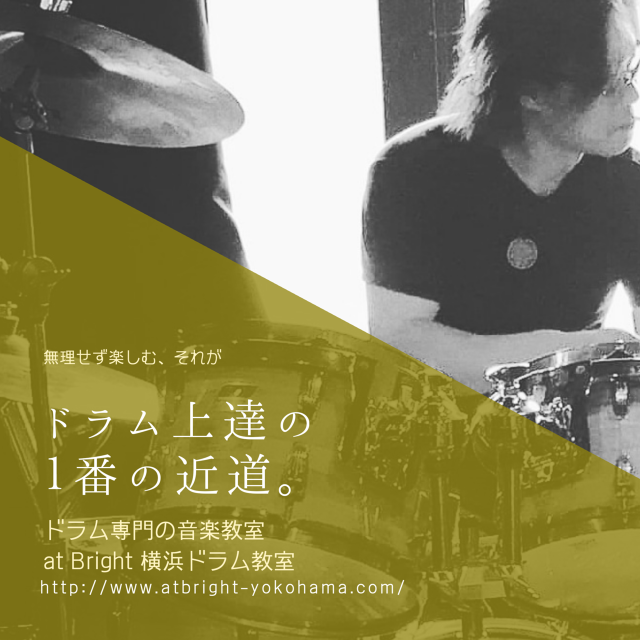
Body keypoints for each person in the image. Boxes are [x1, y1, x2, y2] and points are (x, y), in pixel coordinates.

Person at [363, 0, 640, 393]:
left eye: (630, 72)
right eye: (607, 85)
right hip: (433, 413)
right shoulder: (413, 170)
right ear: (532, 93)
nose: (631, 96)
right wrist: (575, 352)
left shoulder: (626, 182)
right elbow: (401, 345)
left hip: (564, 418)